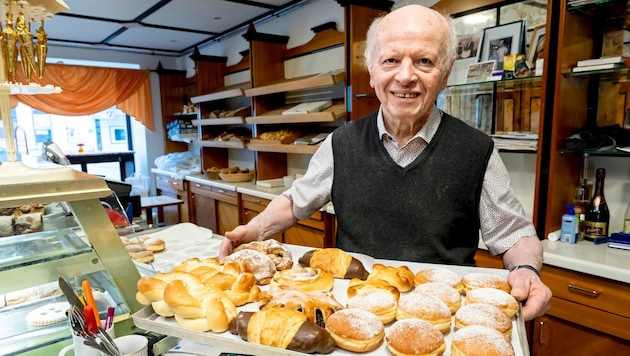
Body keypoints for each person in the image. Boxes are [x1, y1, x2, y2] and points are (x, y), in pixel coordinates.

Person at [219, 4, 551, 321]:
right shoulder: (341, 143)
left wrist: (526, 271)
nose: (405, 77)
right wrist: (255, 229)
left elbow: (513, 233)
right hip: (356, 310)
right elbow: (295, 202)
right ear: (373, 73)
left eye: (424, 61)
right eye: (391, 60)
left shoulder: (476, 150)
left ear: (445, 74)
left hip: (440, 315)